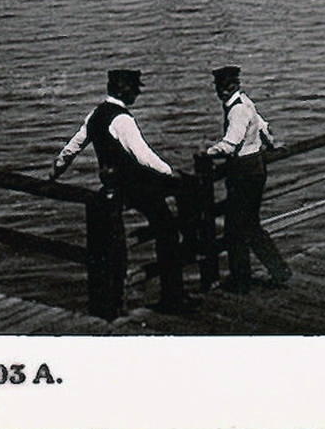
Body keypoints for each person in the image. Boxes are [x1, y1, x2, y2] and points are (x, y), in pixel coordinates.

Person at [51, 69, 197, 313]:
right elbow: (144, 156)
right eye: (134, 88)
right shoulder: (122, 120)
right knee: (169, 229)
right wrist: (170, 172)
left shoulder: (95, 115)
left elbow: (73, 147)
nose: (138, 93)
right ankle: (174, 295)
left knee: (148, 229)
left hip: (112, 185)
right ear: (122, 89)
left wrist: (56, 171)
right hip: (136, 185)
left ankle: (126, 298)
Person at [204, 66, 291, 294]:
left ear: (231, 86)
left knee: (237, 227)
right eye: (221, 87)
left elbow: (230, 143)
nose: (222, 92)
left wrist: (208, 152)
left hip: (243, 172)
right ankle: (274, 271)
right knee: (248, 225)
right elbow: (262, 126)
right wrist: (271, 144)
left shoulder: (236, 111)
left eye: (225, 87)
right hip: (256, 169)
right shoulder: (245, 102)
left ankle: (243, 279)